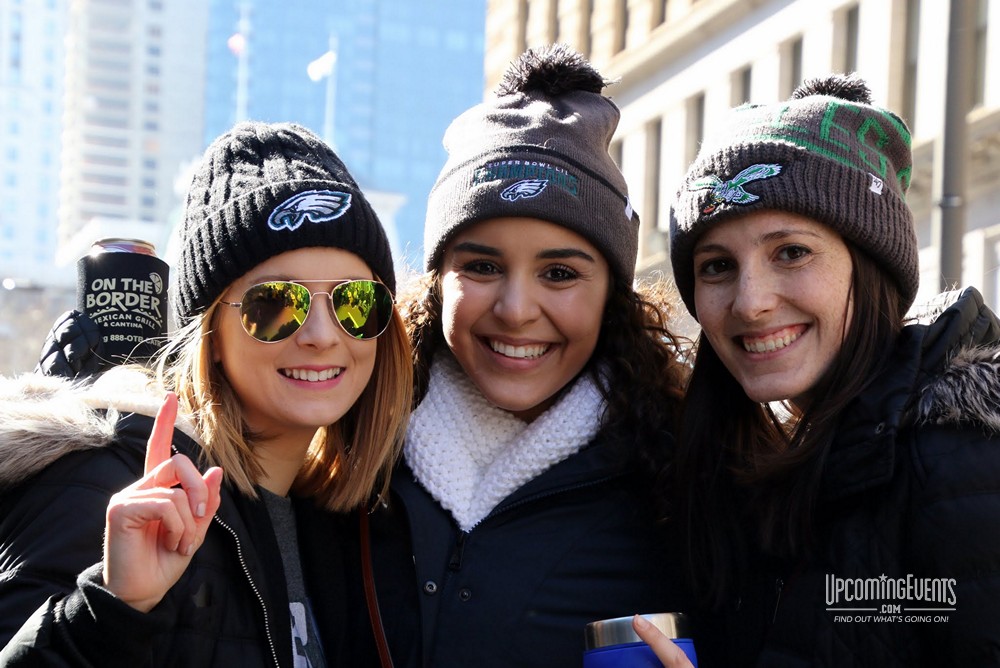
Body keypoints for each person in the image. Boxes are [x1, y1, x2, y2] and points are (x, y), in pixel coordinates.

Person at [0, 121, 412, 667]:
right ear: (210, 334)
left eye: (356, 302)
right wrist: (110, 609)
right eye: (275, 303)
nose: (321, 334)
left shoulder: (346, 527)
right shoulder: (113, 491)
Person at [347, 44, 696, 668]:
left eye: (559, 273)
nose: (515, 309)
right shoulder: (342, 439)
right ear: (436, 281)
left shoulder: (687, 478)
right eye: (481, 266)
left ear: (611, 296)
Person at [639, 73, 1000, 666]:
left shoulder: (965, 459)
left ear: (871, 264)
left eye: (792, 252)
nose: (749, 301)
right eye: (717, 266)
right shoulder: (723, 476)